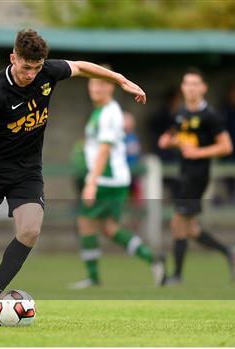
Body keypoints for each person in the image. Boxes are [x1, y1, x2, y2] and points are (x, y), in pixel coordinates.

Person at [0, 29, 147, 325]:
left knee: (29, 230)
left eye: (37, 68)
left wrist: (120, 79)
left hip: (27, 172)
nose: (31, 74)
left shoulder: (47, 72)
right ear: (13, 58)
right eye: (26, 67)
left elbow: (80, 66)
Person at [69, 69, 165, 289]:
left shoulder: (109, 112)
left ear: (111, 86)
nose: (95, 88)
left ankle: (93, 278)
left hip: (106, 180)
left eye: (101, 85)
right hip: (111, 179)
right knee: (109, 227)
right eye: (92, 84)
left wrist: (91, 183)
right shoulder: (100, 111)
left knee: (85, 223)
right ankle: (152, 258)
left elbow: (104, 149)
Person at [158, 68, 235, 285]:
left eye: (195, 84)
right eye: (187, 84)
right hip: (184, 173)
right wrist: (172, 141)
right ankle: (229, 252)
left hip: (198, 175)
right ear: (182, 88)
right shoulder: (182, 112)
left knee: (178, 222)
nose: (191, 88)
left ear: (203, 88)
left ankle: (176, 276)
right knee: (191, 228)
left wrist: (198, 152)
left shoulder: (210, 116)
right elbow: (167, 139)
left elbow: (226, 146)